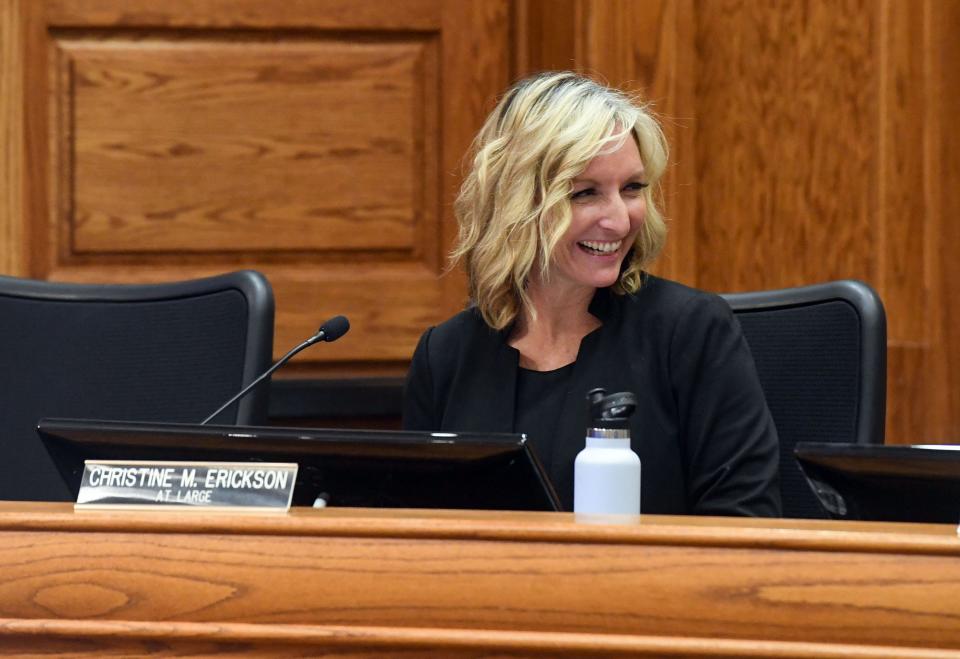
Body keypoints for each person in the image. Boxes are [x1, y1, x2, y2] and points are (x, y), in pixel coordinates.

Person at [403, 71, 781, 516]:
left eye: (632, 189)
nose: (619, 222)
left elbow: (744, 524)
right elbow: (416, 529)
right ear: (516, 203)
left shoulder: (692, 333)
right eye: (585, 193)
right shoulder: (446, 355)